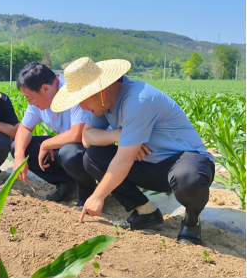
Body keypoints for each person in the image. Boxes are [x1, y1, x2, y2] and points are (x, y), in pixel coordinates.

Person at [51, 57, 215, 245]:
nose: (82, 107)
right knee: (93, 157)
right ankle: (146, 211)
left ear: (100, 92)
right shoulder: (105, 105)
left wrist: (97, 196)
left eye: (82, 99)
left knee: (188, 178)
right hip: (149, 164)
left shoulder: (137, 99)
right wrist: (118, 135)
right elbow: (86, 138)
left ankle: (192, 221)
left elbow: (123, 160)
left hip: (183, 161)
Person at [11, 62, 95, 206]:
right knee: (18, 148)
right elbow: (24, 128)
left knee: (69, 152)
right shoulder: (39, 101)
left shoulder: (73, 88)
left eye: (29, 97)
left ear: (45, 89)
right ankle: (66, 182)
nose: (29, 103)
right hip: (65, 146)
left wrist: (46, 144)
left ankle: (89, 194)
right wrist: (19, 156)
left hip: (91, 147)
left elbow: (78, 134)